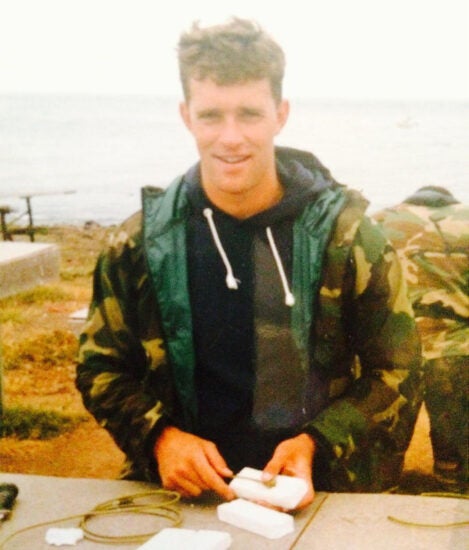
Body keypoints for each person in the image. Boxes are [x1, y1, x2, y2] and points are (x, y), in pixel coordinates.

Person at [76, 17, 422, 509]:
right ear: (186, 115)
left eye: (250, 114)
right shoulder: (140, 242)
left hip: (316, 494)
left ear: (280, 114)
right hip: (181, 498)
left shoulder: (348, 237)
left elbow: (399, 368)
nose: (231, 137)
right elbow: (100, 367)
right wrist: (159, 438)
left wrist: (318, 443)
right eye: (212, 115)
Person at [374, 186, 468, 486]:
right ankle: (451, 490)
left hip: (394, 357)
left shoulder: (379, 221)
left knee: (382, 456)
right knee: (457, 462)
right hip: (457, 355)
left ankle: (378, 500)